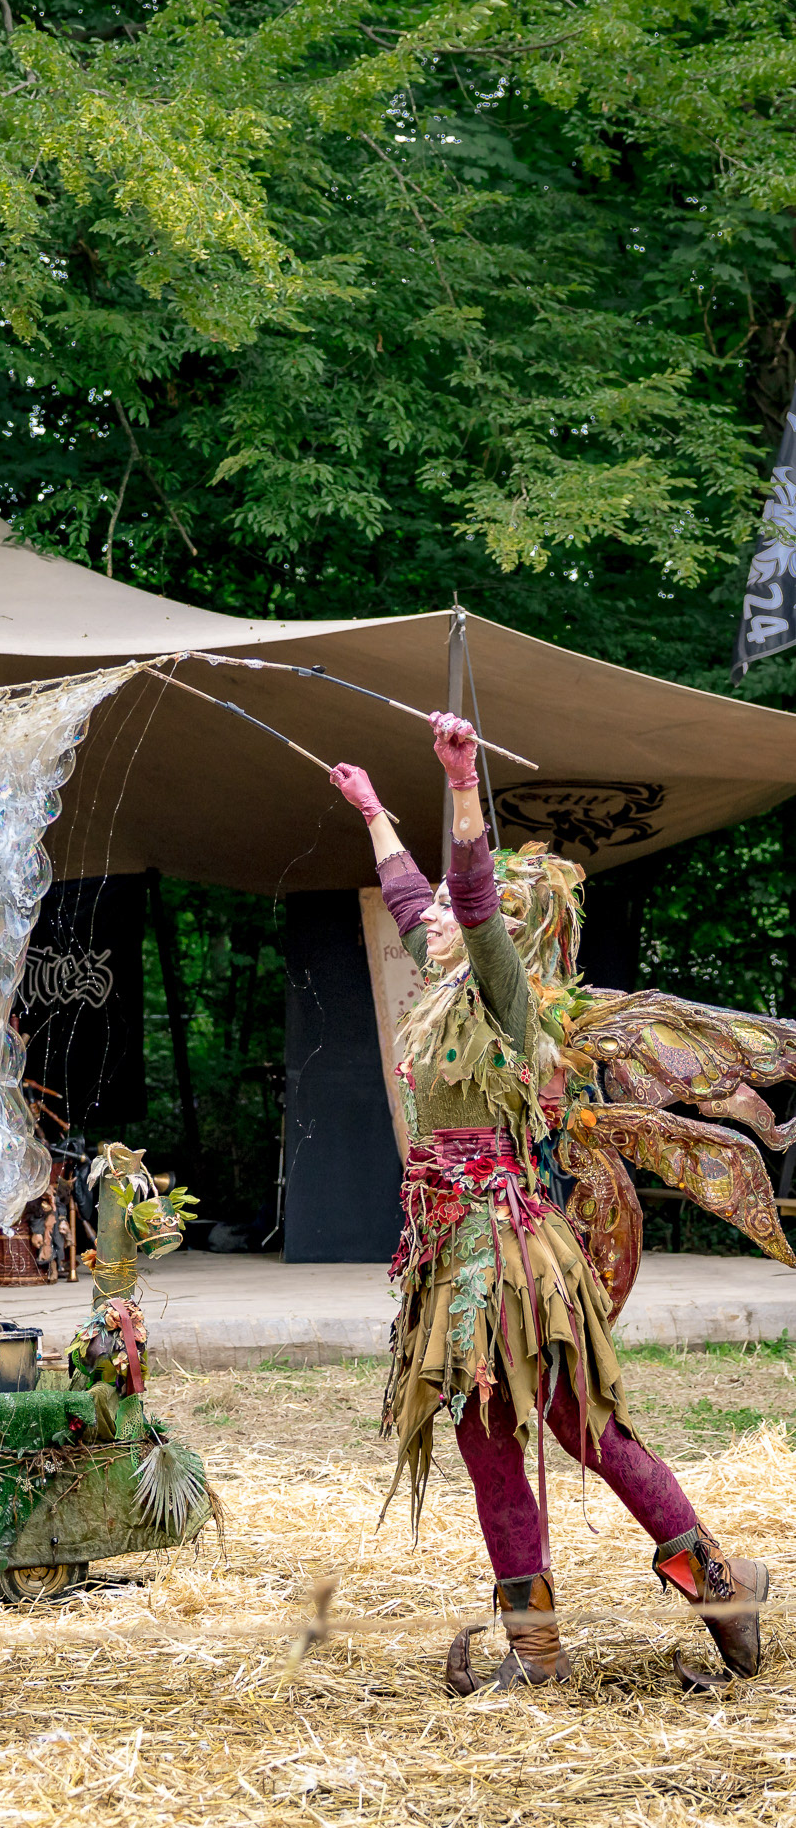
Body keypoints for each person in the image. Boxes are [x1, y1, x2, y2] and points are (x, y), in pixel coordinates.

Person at [329, 714, 768, 1692]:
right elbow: (411, 898)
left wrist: (462, 781)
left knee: (566, 1429)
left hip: (504, 1258)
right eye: (438, 915)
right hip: (456, 1252)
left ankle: (701, 1591)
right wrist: (373, 811)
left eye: (456, 912)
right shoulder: (441, 987)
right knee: (513, 1440)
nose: (435, 918)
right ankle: (569, 1639)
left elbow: (471, 900)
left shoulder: (501, 992)